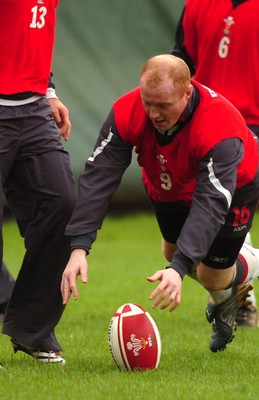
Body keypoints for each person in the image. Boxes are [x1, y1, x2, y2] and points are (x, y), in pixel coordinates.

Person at [61, 54, 259, 353]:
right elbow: (99, 176)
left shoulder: (219, 125)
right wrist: (80, 246)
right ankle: (225, 303)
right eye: (148, 102)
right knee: (171, 249)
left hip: (237, 183)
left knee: (211, 274)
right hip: (171, 174)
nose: (153, 113)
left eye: (163, 105)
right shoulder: (128, 110)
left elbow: (211, 204)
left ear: (187, 92)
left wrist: (179, 268)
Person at [170, 0, 259, 327]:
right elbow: (180, 61)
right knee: (190, 228)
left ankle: (240, 302)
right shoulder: (196, 4)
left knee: (225, 204)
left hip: (257, 124)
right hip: (204, 120)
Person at [0, 0, 76, 364]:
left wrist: (48, 90)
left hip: (31, 108)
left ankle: (31, 328)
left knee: (62, 204)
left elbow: (30, 33)